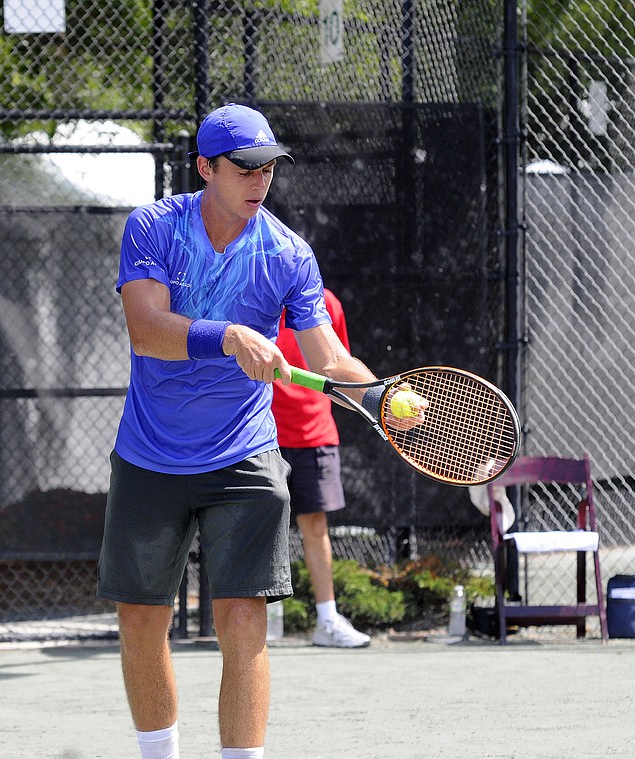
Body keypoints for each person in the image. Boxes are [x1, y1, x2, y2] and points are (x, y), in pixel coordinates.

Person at [97, 103, 422, 759]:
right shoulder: (154, 228)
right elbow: (147, 328)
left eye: (268, 166)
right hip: (150, 454)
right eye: (244, 166)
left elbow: (327, 357)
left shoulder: (286, 254)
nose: (259, 178)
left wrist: (379, 391)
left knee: (242, 618)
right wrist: (229, 337)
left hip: (243, 456)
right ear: (205, 168)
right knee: (140, 619)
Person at [271, 288, 371, 648]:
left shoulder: (325, 302)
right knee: (259, 526)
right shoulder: (248, 291)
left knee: (315, 525)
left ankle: (326, 620)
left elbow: (337, 367)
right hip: (260, 433)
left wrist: (377, 401)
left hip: (315, 432)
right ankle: (264, 618)